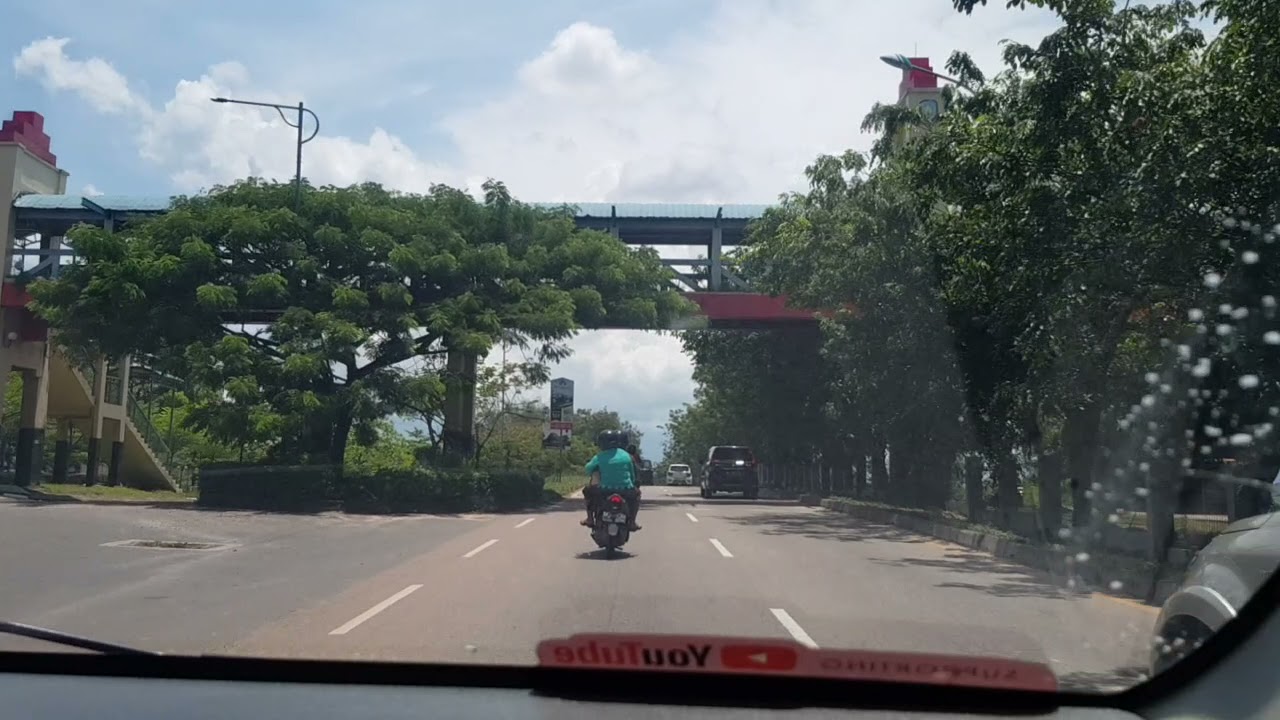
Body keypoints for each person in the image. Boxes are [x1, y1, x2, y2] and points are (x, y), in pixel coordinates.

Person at [582, 429, 642, 531]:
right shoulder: (627, 456)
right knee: (637, 495)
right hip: (626, 489)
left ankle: (590, 519)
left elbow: (588, 469)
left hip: (604, 489)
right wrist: (631, 485)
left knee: (587, 492)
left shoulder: (599, 456)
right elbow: (632, 475)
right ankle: (632, 522)